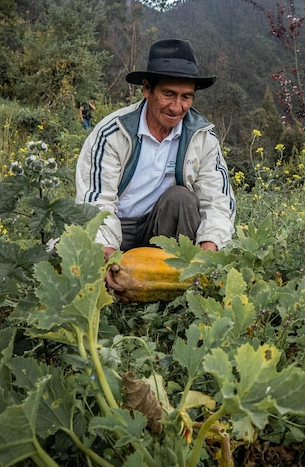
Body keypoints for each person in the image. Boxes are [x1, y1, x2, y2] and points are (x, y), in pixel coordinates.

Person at [75, 38, 236, 294]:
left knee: (182, 198)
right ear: (147, 89)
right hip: (119, 224)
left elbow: (218, 201)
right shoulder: (113, 133)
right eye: (168, 94)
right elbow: (96, 202)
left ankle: (177, 288)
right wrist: (106, 253)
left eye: (186, 97)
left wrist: (209, 248)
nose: (177, 107)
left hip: (162, 228)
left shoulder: (202, 137)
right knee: (75, 259)